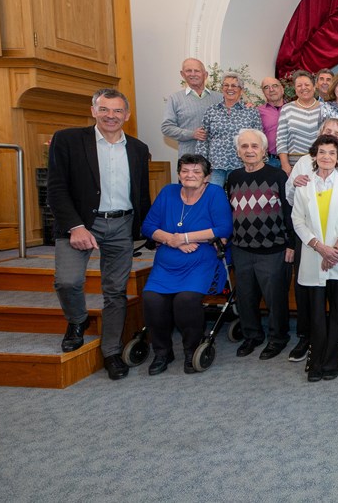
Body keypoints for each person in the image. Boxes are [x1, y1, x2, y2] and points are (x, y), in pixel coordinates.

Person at [48, 88, 151, 380]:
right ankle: (77, 321)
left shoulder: (138, 148)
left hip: (122, 225)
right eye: (104, 109)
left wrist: (147, 230)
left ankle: (112, 351)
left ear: (127, 115)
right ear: (93, 110)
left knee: (115, 291)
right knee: (67, 281)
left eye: (118, 111)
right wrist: (75, 226)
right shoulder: (67, 140)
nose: (111, 116)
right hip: (80, 224)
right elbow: (56, 189)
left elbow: (140, 192)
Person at [141, 154, 233, 375]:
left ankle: (192, 349)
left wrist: (183, 238)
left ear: (207, 176)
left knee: (186, 300)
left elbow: (223, 229)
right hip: (167, 261)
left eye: (196, 171)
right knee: (151, 299)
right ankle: (162, 352)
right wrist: (171, 239)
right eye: (185, 171)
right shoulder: (168, 192)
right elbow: (147, 226)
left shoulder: (214, 193)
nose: (190, 175)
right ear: (179, 173)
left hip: (201, 262)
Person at [285, 118, 338, 362]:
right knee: (313, 307)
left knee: (337, 308)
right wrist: (320, 247)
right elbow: (294, 208)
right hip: (312, 248)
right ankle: (313, 353)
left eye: (333, 148)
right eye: (327, 134)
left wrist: (334, 248)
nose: (327, 155)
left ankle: (333, 357)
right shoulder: (303, 167)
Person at [225, 129, 294, 360]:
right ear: (238, 151)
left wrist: (291, 245)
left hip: (273, 248)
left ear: (264, 150)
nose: (249, 150)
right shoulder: (233, 177)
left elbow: (289, 212)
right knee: (245, 297)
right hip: (242, 248)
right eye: (244, 147)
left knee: (275, 299)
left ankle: (278, 338)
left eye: (254, 146)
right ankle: (252, 336)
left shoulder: (277, 176)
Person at [196, 71, 262, 187]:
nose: (229, 88)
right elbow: (203, 140)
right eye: (226, 85)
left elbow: (259, 140)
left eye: (234, 85)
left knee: (239, 201)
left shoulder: (251, 111)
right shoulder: (211, 111)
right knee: (214, 198)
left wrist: (256, 164)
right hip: (215, 166)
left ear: (241, 90)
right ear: (222, 88)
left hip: (242, 165)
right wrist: (202, 165)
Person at [161, 58, 223, 157]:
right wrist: (192, 134)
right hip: (189, 160)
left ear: (205, 75)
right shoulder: (175, 99)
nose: (193, 74)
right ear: (182, 74)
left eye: (197, 71)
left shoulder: (220, 98)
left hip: (218, 159)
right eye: (188, 71)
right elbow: (166, 128)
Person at [276, 70, 322, 176]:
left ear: (314, 87)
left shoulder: (325, 108)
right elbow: (281, 139)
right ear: (295, 89)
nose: (303, 88)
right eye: (299, 85)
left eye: (307, 84)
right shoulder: (287, 109)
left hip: (321, 162)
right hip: (294, 165)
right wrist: (285, 164)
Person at [258, 77, 286, 168]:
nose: (271, 90)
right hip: (269, 161)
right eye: (266, 87)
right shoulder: (257, 111)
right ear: (263, 92)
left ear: (282, 89)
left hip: (292, 161)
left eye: (275, 86)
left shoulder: (294, 109)